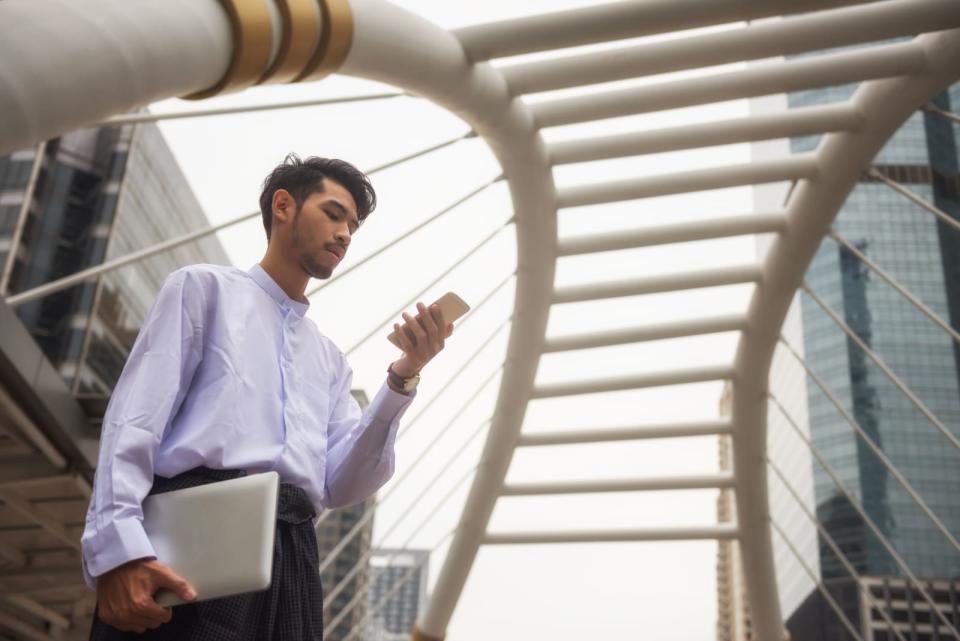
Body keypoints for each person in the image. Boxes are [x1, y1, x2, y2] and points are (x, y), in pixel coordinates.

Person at [81, 155, 452, 640]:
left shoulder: (330, 361)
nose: (345, 234)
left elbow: (343, 484)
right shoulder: (201, 290)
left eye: (353, 226)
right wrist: (120, 551)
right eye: (334, 213)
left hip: (293, 559)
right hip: (194, 533)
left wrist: (403, 376)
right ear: (283, 206)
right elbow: (134, 423)